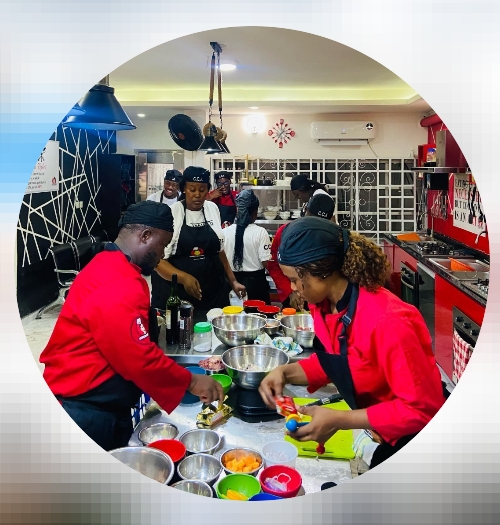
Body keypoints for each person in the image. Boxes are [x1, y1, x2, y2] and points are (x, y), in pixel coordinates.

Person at [259, 216, 446, 469]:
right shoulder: (324, 306)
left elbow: (422, 411)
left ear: (321, 272)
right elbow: (340, 363)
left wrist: (340, 419)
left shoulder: (387, 321)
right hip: (381, 432)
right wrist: (284, 373)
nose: (292, 288)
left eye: (294, 279)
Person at [40, 201, 224, 451]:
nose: (162, 255)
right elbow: (137, 358)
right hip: (83, 410)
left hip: (96, 401)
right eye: (162, 245)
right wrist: (191, 382)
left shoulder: (108, 263)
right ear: (145, 235)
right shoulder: (118, 281)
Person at [152, 166, 246, 314]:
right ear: (184, 189)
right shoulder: (172, 213)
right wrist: (183, 278)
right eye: (192, 189)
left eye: (202, 190)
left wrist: (233, 281)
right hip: (180, 294)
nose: (197, 195)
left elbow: (219, 251)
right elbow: (158, 262)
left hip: (213, 291)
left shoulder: (212, 209)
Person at [267, 193, 336, 310]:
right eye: (313, 220)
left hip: (321, 301)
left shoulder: (333, 239)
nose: (316, 227)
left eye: (321, 223)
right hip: (293, 298)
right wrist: (289, 291)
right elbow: (273, 265)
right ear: (306, 212)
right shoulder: (286, 233)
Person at [222, 189, 272, 304]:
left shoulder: (224, 232)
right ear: (255, 212)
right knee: (258, 314)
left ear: (237, 210)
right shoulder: (260, 232)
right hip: (256, 286)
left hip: (231, 283)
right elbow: (266, 263)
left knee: (232, 315)